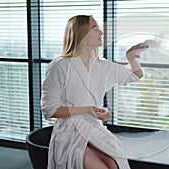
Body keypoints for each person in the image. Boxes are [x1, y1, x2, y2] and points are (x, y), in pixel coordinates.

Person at [40, 15, 147, 169]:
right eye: (95, 28)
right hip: (70, 132)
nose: (101, 32)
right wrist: (86, 110)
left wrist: (130, 58)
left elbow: (135, 75)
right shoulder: (59, 66)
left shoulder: (102, 66)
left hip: (93, 128)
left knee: (116, 164)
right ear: (80, 32)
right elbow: (49, 110)